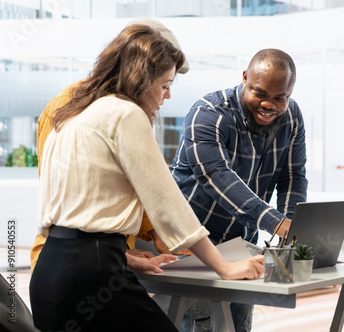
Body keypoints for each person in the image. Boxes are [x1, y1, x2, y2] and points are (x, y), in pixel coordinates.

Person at [30, 24, 264, 332]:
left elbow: (74, 215)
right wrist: (225, 266)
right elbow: (167, 202)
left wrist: (121, 257)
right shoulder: (127, 114)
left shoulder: (72, 113)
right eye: (165, 84)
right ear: (140, 79)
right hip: (93, 274)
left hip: (49, 275)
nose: (167, 95)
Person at [30, 18, 184, 274]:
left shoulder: (127, 109)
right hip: (69, 260)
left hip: (107, 255)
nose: (166, 94)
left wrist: (132, 244)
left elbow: (130, 183)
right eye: (163, 81)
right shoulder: (73, 105)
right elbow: (74, 198)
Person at [171, 48, 307, 331]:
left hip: (242, 245)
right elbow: (217, 177)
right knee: (200, 326)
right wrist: (277, 222)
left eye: (280, 97)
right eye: (260, 93)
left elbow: (292, 175)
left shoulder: (291, 117)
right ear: (245, 77)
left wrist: (293, 230)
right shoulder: (208, 113)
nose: (269, 105)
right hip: (193, 245)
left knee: (238, 326)